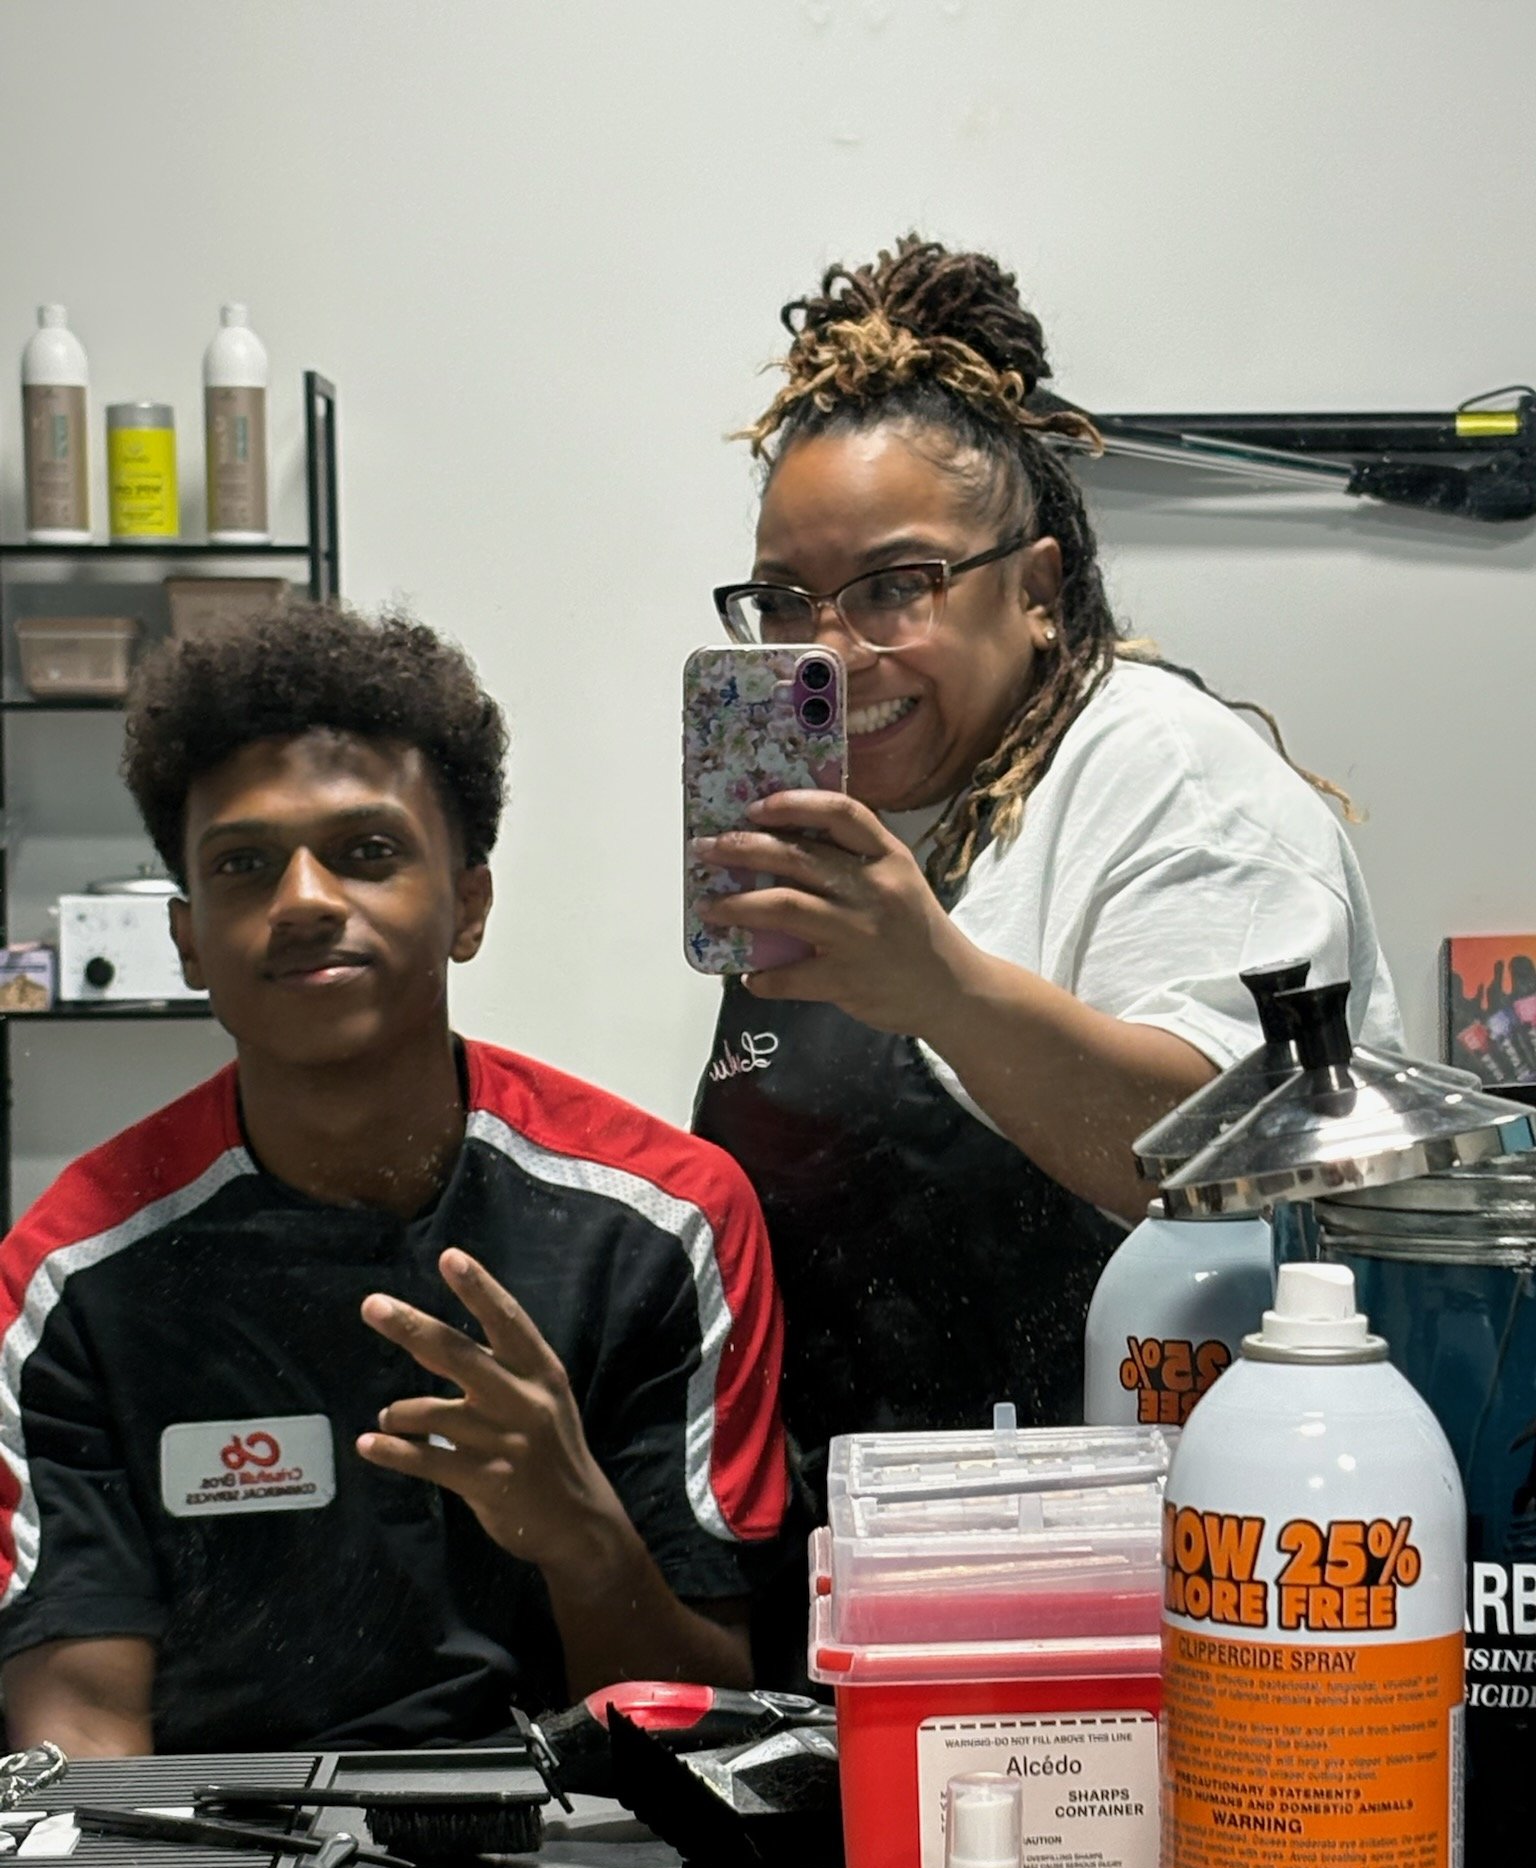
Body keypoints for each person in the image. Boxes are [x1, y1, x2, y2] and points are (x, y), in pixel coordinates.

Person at [0, 604, 790, 1757]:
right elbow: (79, 1734)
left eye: (367, 851)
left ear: (468, 904)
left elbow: (712, 1725)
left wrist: (578, 1529)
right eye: (243, 863)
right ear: (185, 939)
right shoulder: (71, 1273)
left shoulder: (663, 1223)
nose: (307, 897)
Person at [692, 237, 1403, 1491]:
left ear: (1033, 589)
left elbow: (1231, 1173)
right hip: (865, 1559)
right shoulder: (825, 817)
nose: (829, 651)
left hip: (1151, 1568)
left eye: (893, 587)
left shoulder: (1167, 776)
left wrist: (943, 991)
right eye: (785, 600)